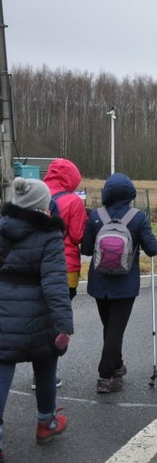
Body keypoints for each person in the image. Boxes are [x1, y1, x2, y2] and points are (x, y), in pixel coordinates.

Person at [0, 177, 74, 451]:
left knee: (1, 370)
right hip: (40, 315)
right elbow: (55, 283)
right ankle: (46, 423)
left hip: (3, 313)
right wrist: (65, 325)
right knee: (45, 366)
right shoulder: (49, 235)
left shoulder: (2, 228)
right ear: (42, 205)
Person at [81, 173, 157, 393]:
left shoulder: (96, 216)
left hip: (99, 283)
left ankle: (116, 367)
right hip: (125, 285)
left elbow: (86, 249)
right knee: (115, 331)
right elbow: (152, 249)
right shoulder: (138, 217)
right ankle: (105, 376)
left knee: (111, 329)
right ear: (130, 193)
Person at [43, 158, 88, 299]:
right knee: (61, 310)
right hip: (65, 265)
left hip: (35, 263)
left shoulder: (34, 196)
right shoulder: (73, 201)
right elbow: (77, 236)